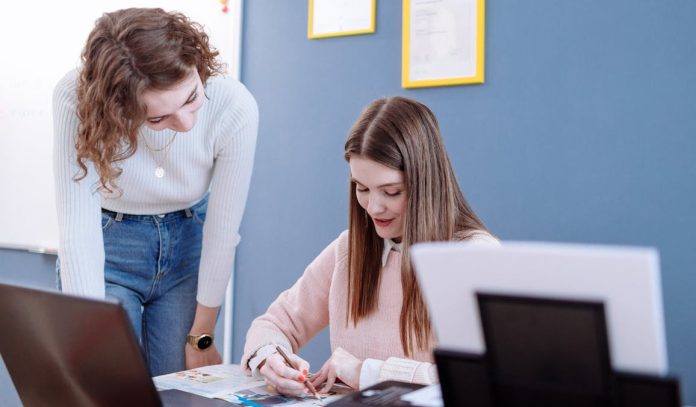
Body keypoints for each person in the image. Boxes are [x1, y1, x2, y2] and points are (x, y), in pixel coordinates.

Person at [241, 96, 497, 395]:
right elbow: (275, 322)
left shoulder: (476, 257)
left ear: (426, 183)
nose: (373, 207)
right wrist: (270, 357)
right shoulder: (349, 249)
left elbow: (483, 379)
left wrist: (366, 371)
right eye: (361, 188)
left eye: (391, 191)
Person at [52, 8, 258, 376]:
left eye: (191, 98)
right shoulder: (76, 98)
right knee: (108, 383)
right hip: (108, 246)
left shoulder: (234, 105)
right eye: (157, 118)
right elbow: (77, 230)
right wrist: (88, 338)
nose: (186, 123)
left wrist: (203, 337)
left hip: (188, 245)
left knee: (181, 385)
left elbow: (222, 233)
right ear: (118, 110)